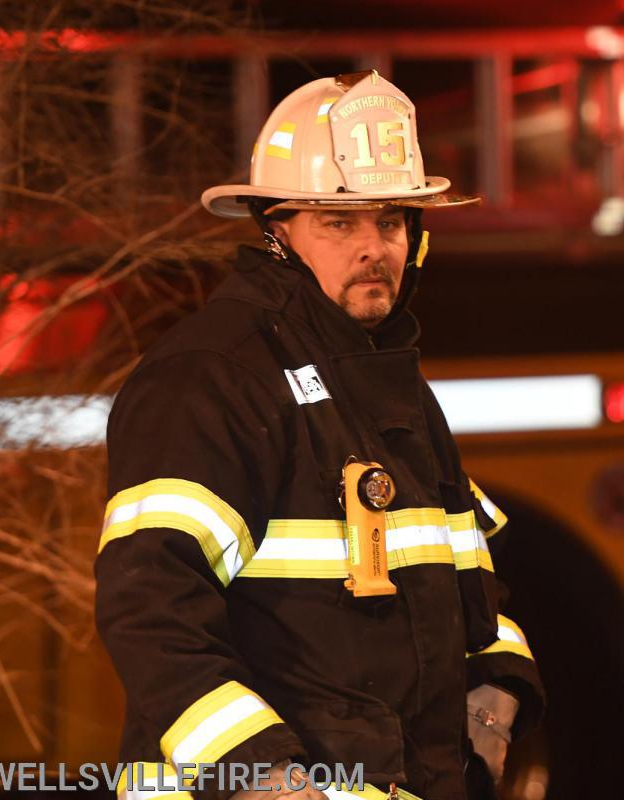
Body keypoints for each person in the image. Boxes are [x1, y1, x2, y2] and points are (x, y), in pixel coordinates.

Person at [95, 70, 544, 800]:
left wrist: (496, 694)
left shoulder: (392, 388)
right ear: (275, 234)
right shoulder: (212, 379)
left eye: (390, 222)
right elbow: (150, 608)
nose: (374, 247)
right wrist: (263, 776)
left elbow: (468, 582)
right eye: (339, 223)